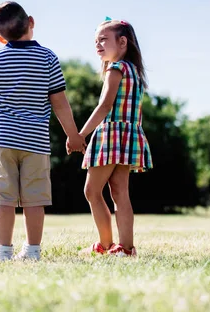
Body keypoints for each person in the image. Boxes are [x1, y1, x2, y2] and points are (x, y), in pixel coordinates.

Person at [0, 1, 86, 261]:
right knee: (35, 199)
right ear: (31, 22)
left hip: (2, 138)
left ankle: (3, 251)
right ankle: (33, 251)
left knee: (3, 198)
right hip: (35, 141)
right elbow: (59, 102)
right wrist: (73, 135)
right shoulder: (48, 58)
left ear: (1, 37)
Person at [72, 18, 153, 257]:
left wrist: (80, 134)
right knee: (120, 193)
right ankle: (126, 248)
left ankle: (105, 245)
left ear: (122, 42)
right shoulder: (135, 71)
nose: (97, 44)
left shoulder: (115, 69)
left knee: (91, 191)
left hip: (111, 135)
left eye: (103, 39)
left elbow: (104, 106)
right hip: (130, 135)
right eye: (95, 40)